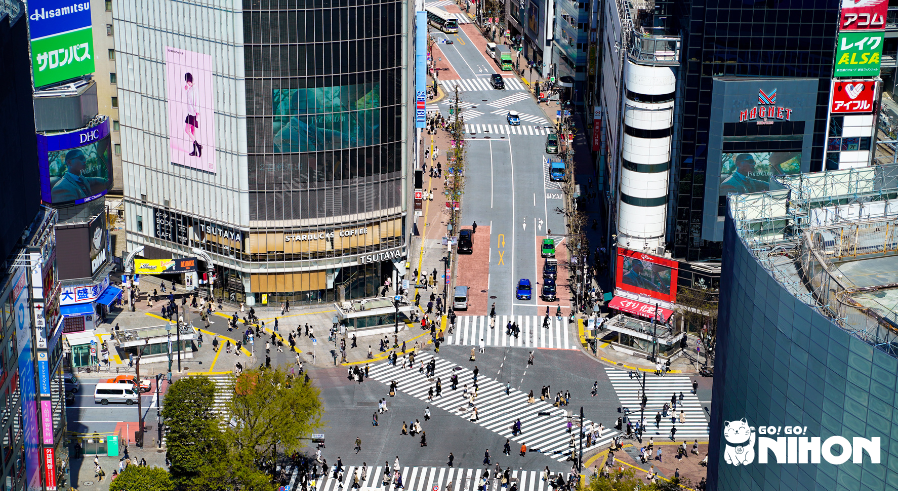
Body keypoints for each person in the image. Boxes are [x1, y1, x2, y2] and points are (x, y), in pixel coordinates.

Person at [183, 72, 204, 157]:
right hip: (191, 112)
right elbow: (188, 99)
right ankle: (195, 151)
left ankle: (198, 145)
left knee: (187, 130)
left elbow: (196, 101)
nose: (187, 82)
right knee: (192, 131)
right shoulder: (190, 88)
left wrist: (197, 112)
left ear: (189, 80)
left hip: (192, 113)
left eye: (187, 81)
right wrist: (186, 90)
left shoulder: (194, 89)